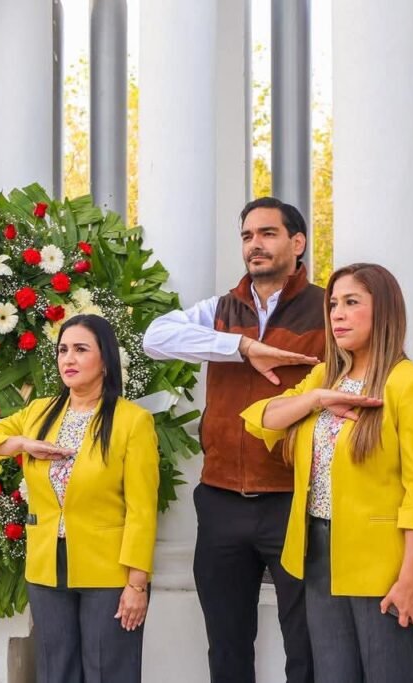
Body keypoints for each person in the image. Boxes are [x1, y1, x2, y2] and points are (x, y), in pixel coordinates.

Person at [241, 263, 413, 682]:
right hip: (319, 560)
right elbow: (260, 418)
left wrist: (411, 578)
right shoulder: (324, 377)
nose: (336, 313)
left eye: (351, 302)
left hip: (386, 567)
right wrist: (316, 398)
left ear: (385, 310)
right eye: (333, 303)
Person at [142, 197, 322, 682]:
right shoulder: (220, 309)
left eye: (267, 233)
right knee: (226, 645)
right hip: (221, 499)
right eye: (247, 236)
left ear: (296, 242)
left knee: (305, 642)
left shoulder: (326, 309)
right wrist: (239, 346)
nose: (254, 245)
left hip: (292, 500)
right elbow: (154, 338)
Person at [0, 314, 159, 683]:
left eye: (81, 350)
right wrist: (23, 443)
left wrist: (137, 584)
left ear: (105, 360)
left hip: (109, 570)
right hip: (47, 566)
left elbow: (142, 510)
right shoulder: (39, 412)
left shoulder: (132, 421)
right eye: (63, 350)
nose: (68, 359)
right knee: (57, 671)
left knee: (109, 671)